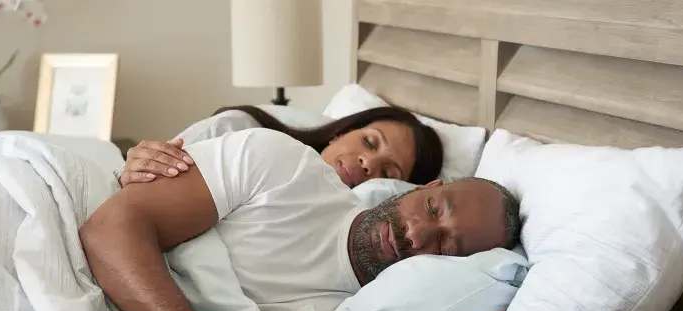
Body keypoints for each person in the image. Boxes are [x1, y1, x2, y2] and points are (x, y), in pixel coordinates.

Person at [80, 128, 521, 311]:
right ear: (424, 186)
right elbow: (109, 228)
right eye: (432, 207)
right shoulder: (283, 165)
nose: (418, 233)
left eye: (446, 246)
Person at [115, 105, 443, 188]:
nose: (368, 163)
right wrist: (136, 169)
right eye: (370, 142)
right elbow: (147, 187)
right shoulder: (240, 132)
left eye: (388, 171)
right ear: (340, 133)